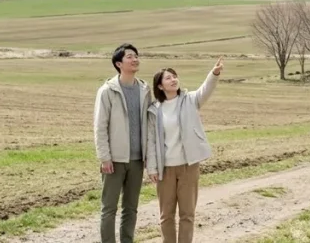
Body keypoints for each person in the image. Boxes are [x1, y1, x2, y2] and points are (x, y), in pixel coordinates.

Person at [145, 58, 224, 243]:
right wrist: (152, 167)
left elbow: (206, 89)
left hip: (189, 166)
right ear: (160, 85)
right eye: (168, 78)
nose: (173, 80)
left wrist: (214, 73)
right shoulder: (154, 110)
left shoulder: (190, 100)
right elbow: (151, 141)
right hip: (165, 169)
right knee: (166, 215)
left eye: (174, 76)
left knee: (187, 214)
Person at [94, 43, 151, 243]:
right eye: (129, 56)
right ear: (119, 64)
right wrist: (104, 157)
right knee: (109, 208)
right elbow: (100, 126)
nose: (135, 59)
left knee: (131, 208)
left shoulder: (145, 90)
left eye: (136, 56)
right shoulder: (107, 91)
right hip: (114, 160)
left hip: (137, 160)